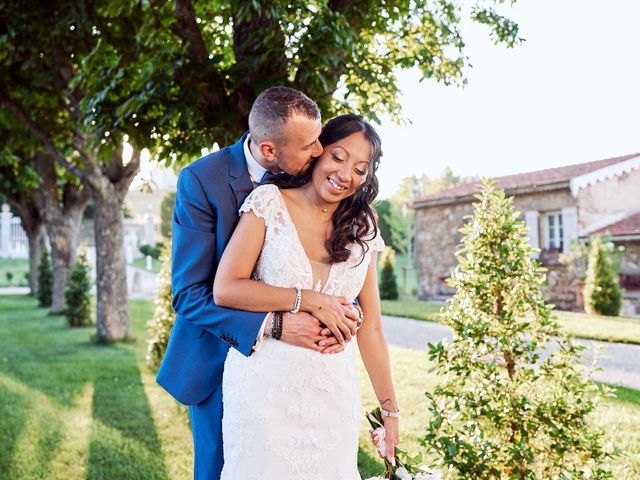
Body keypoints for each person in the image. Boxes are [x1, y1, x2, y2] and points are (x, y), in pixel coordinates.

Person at [156, 87, 360, 479]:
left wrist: (348, 314)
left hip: (301, 374)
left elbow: (333, 260)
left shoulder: (308, 175)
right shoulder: (201, 181)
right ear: (269, 150)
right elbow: (188, 293)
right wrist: (277, 323)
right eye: (309, 145)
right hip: (217, 358)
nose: (320, 152)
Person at [213, 114, 399, 479]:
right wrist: (310, 299)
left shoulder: (364, 225)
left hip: (333, 392)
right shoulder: (268, 203)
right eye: (338, 156)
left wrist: (390, 412)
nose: (346, 174)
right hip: (264, 387)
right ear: (317, 152)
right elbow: (227, 288)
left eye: (361, 168)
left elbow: (372, 326)